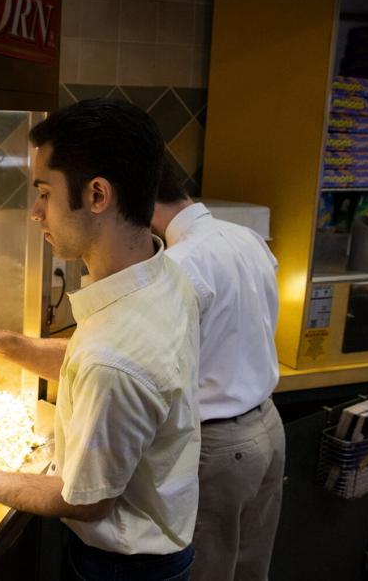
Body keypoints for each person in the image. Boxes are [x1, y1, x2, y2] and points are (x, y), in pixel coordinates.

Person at [0, 99, 202, 581]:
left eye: (44, 192)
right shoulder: (161, 275)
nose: (36, 212)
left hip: (122, 568)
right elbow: (88, 364)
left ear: (98, 195)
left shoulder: (115, 357)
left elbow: (84, 500)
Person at [150, 162, 285, 581]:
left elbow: (153, 365)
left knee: (207, 572)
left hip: (219, 444)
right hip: (267, 426)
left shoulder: (178, 264)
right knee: (249, 571)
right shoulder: (245, 237)